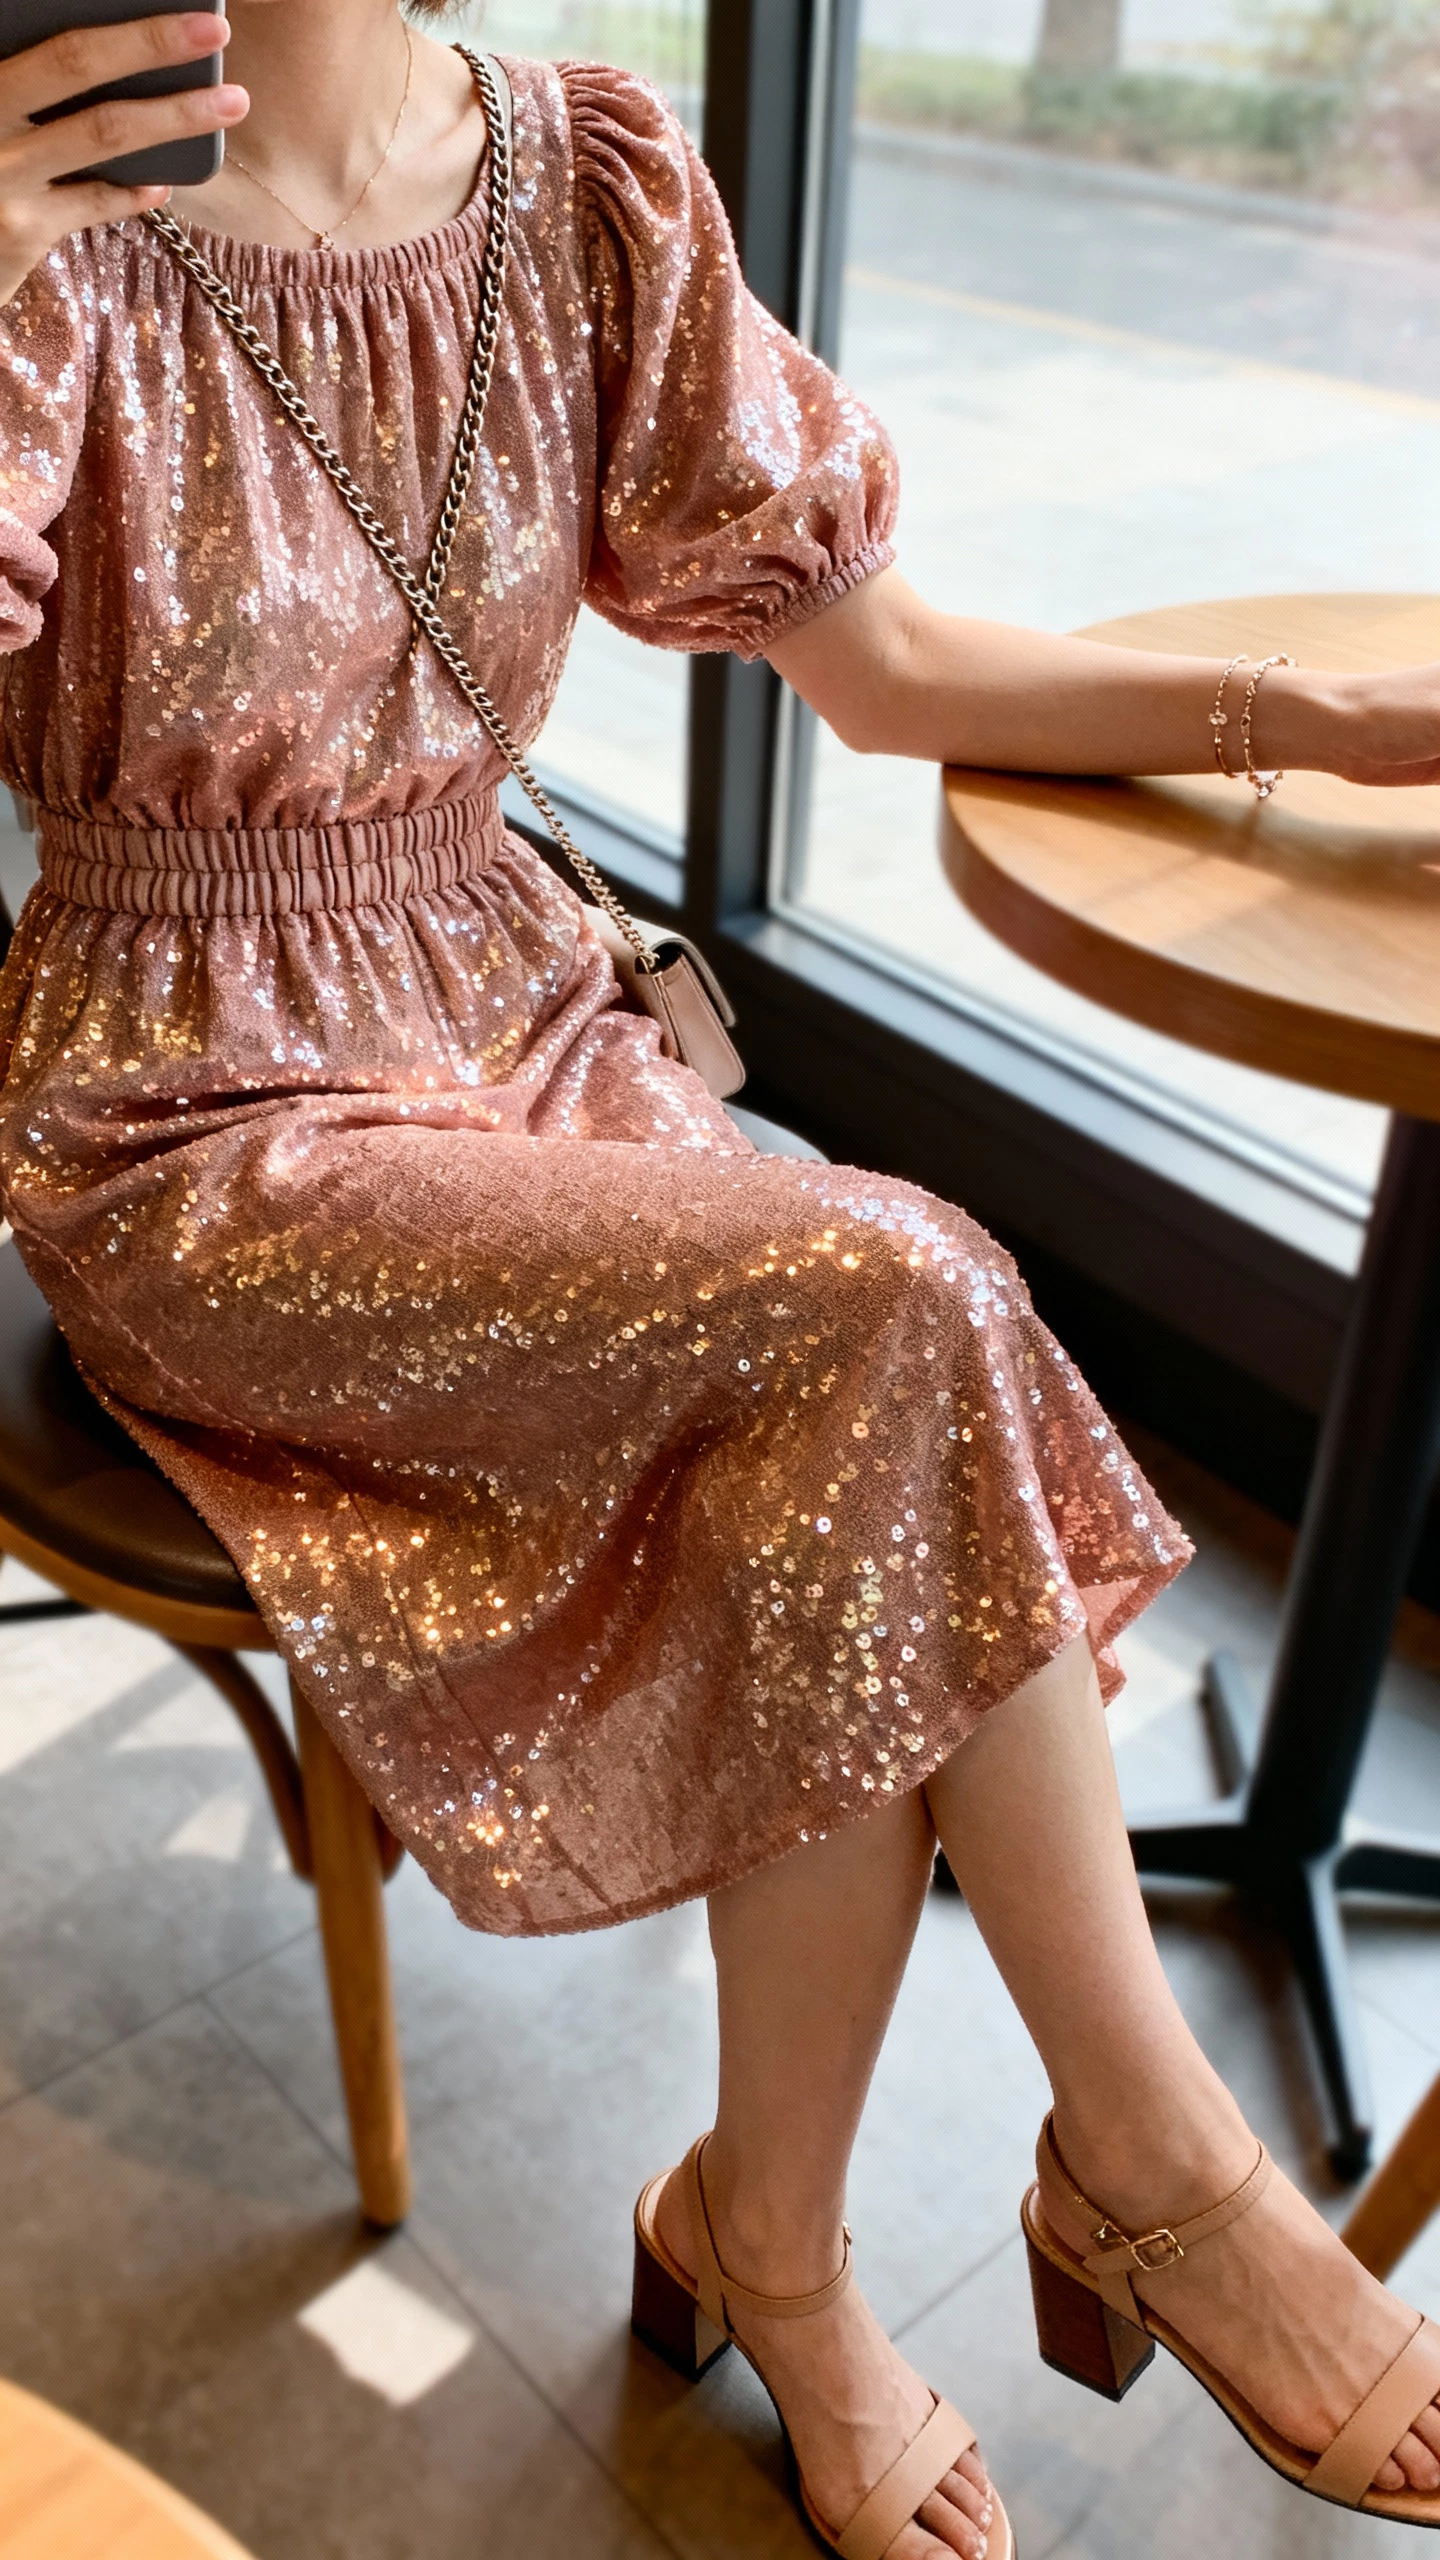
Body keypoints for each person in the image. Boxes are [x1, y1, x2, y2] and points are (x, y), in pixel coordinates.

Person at [0, 9, 1437, 2555]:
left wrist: (1295, 718)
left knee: (863, 1441)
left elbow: (883, 671)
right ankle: (1146, 2160)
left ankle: (764, 2236)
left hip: (523, 1024)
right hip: (203, 1105)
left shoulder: (576, 180)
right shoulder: (41, 220)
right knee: (889, 1307)